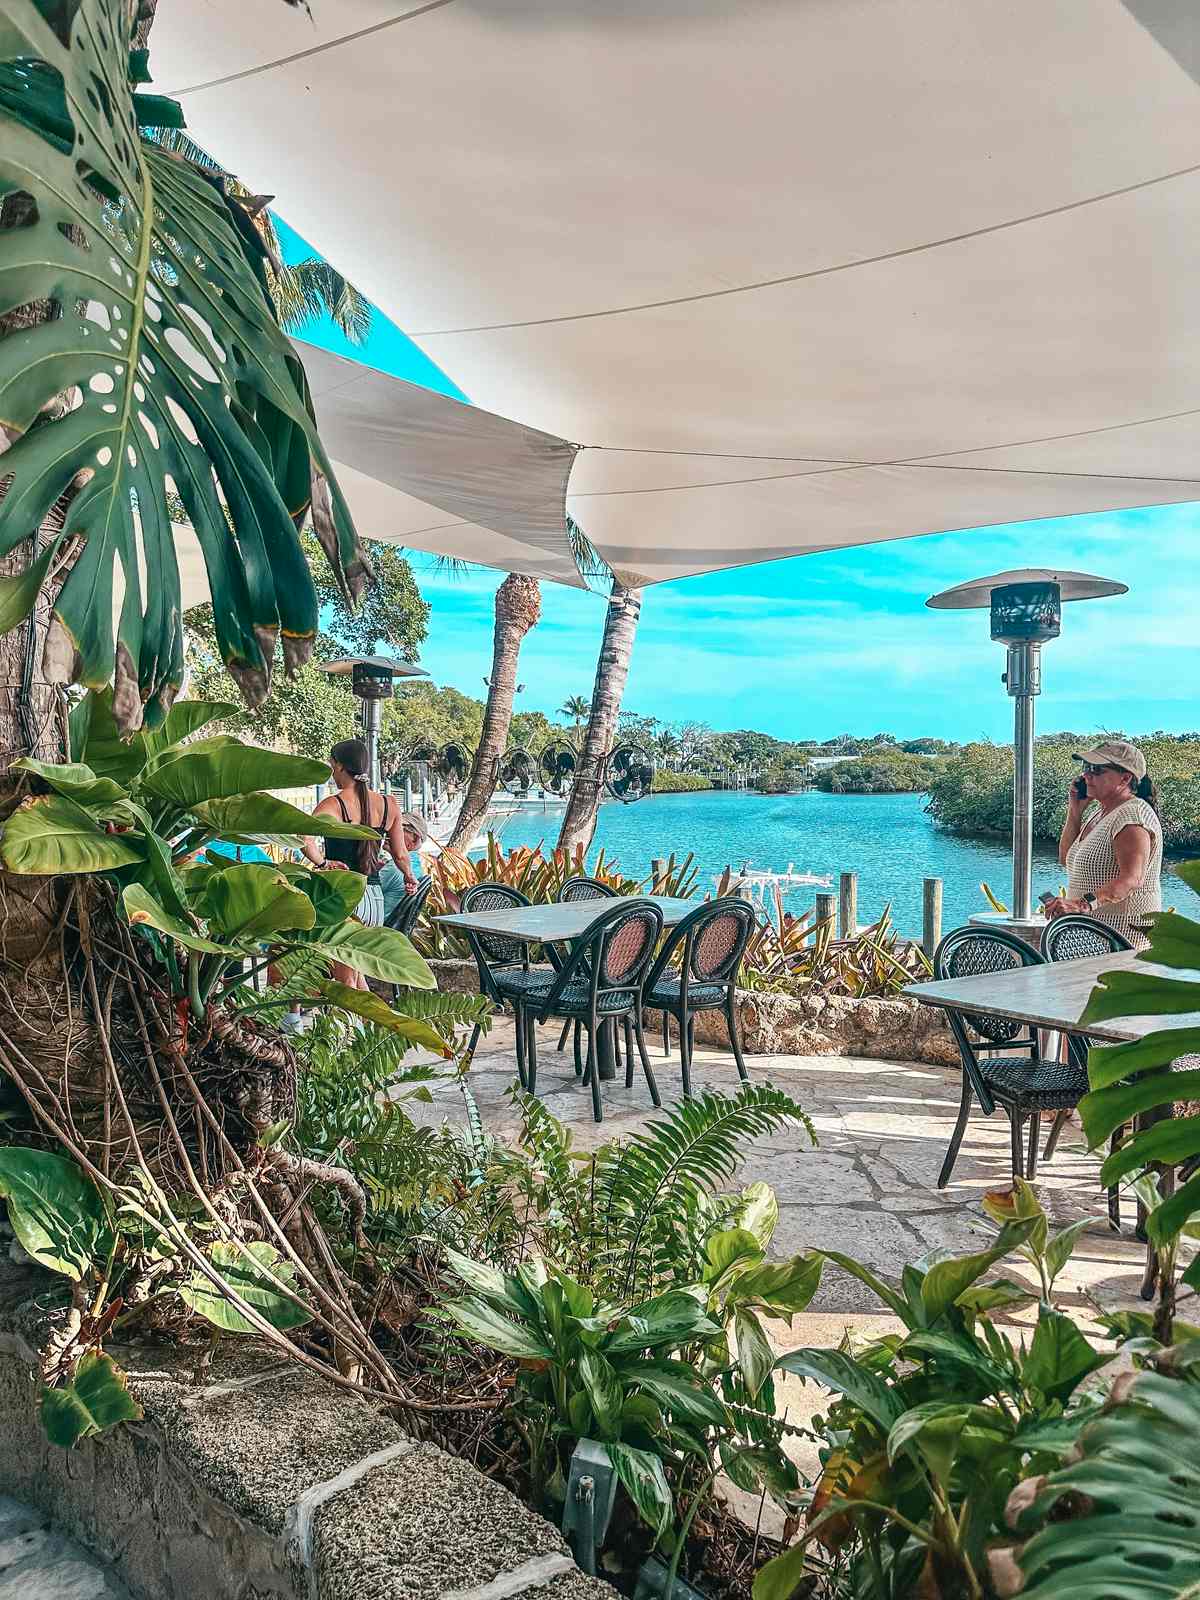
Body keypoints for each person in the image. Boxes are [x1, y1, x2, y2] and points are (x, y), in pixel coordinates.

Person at [302, 740, 418, 984]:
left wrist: (323, 864)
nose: (332, 772)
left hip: (341, 898)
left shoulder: (334, 804)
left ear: (340, 766)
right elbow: (400, 854)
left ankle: (313, 1020)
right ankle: (369, 1023)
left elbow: (304, 839)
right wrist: (409, 876)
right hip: (373, 900)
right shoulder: (389, 804)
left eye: (332, 765)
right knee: (357, 979)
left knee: (346, 984)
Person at [1043, 739, 1162, 948]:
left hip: (1123, 944)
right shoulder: (1101, 813)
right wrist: (1075, 810)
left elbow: (1131, 880)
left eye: (1097, 770)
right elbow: (1065, 859)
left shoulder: (1132, 816)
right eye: (1086, 768)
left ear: (1125, 778)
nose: (1086, 775)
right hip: (1092, 940)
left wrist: (1081, 905)